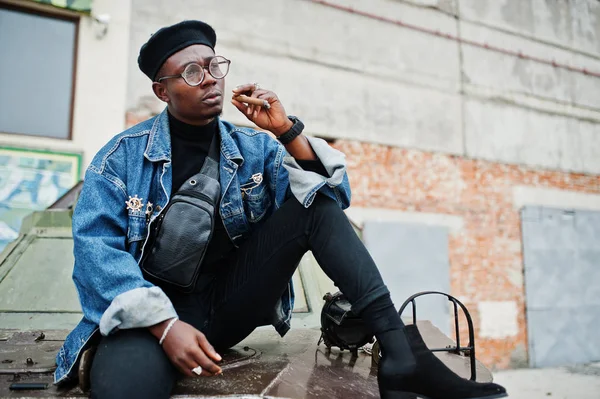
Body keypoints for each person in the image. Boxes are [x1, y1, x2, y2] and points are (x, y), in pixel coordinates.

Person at [54, 20, 507, 399]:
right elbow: (96, 253)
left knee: (315, 205)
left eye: (214, 65)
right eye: (191, 72)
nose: (210, 77)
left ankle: (402, 355)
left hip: (227, 308)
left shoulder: (253, 148)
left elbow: (332, 200)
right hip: (147, 324)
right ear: (162, 90)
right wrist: (165, 326)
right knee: (124, 387)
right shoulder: (121, 157)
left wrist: (287, 131)